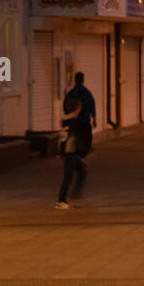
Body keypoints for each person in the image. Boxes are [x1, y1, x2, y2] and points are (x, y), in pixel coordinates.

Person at [55, 73, 95, 210]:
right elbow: (73, 138)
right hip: (71, 152)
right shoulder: (75, 122)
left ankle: (74, 196)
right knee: (68, 176)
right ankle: (61, 200)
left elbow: (62, 136)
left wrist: (59, 151)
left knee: (82, 171)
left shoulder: (70, 97)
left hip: (70, 152)